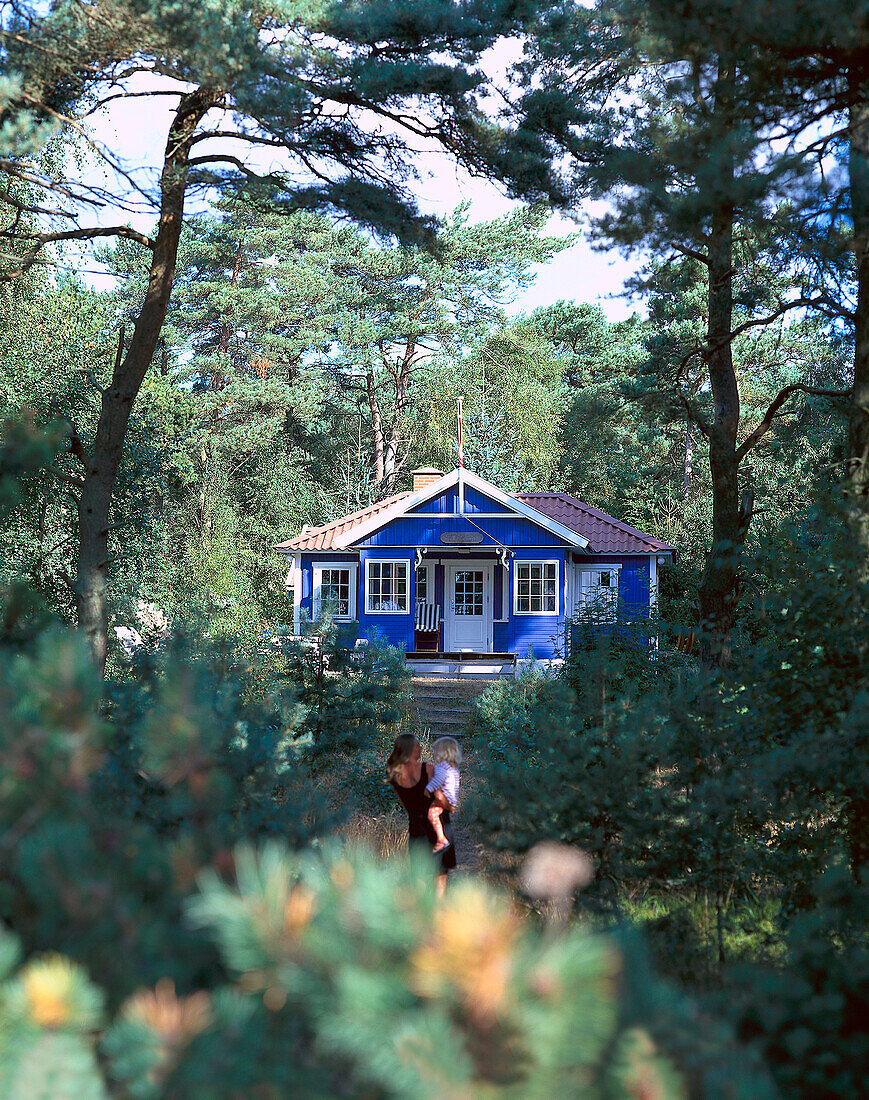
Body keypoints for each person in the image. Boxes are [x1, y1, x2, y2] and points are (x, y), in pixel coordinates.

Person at [386, 733, 456, 896]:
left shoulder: (395, 775)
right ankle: (436, 913)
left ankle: (419, 914)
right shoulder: (427, 768)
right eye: (417, 745)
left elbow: (406, 805)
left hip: (416, 829)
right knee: (440, 875)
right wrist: (450, 806)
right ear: (409, 749)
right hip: (437, 826)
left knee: (419, 877)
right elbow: (439, 797)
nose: (421, 748)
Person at [425, 736, 461, 853]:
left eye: (435, 751)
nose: (434, 754)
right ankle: (441, 839)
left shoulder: (442, 767)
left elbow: (438, 780)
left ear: (442, 752)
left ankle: (441, 839)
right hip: (451, 799)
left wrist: (428, 788)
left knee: (432, 814)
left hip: (444, 797)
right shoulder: (453, 768)